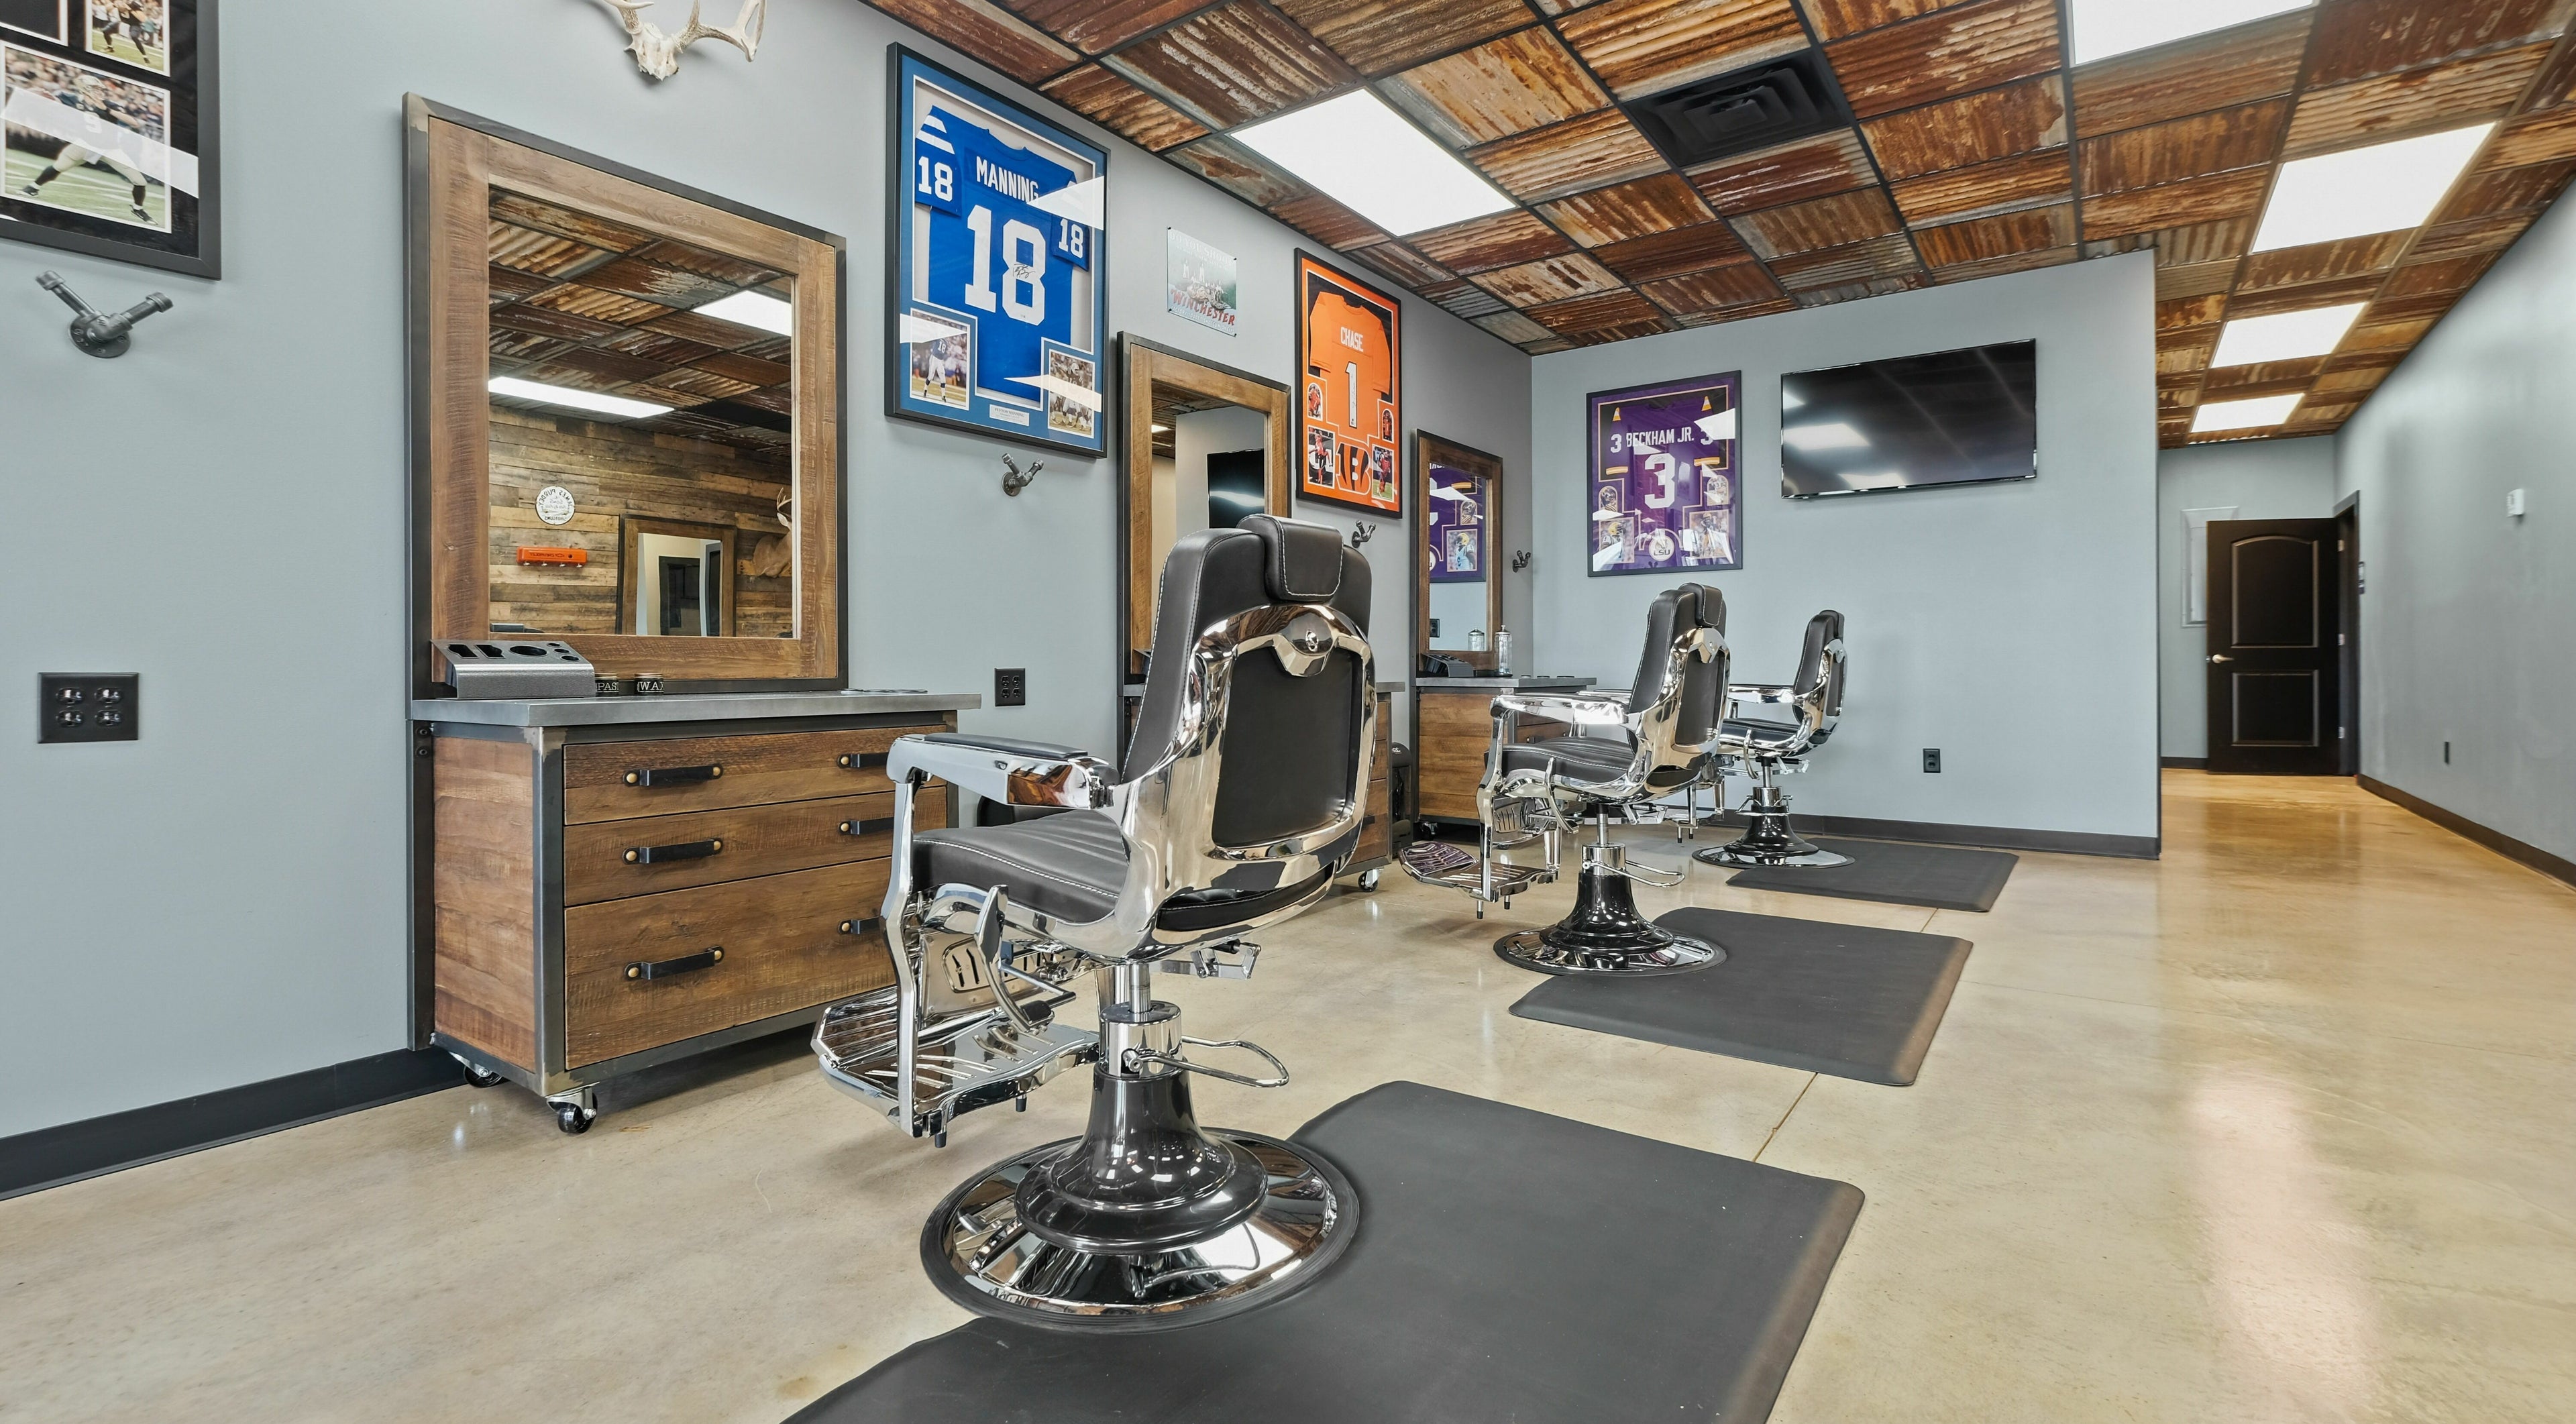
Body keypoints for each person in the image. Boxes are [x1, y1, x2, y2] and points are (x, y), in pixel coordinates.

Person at [17, 73, 152, 225]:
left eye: (100, 89)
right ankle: (33, 188)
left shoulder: (110, 104)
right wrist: (45, 99)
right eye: (95, 89)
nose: (100, 92)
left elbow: (134, 123)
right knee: (59, 166)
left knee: (140, 181)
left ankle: (138, 209)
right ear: (85, 90)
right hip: (84, 145)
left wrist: (107, 110)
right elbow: (56, 101)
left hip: (110, 149)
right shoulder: (73, 100)